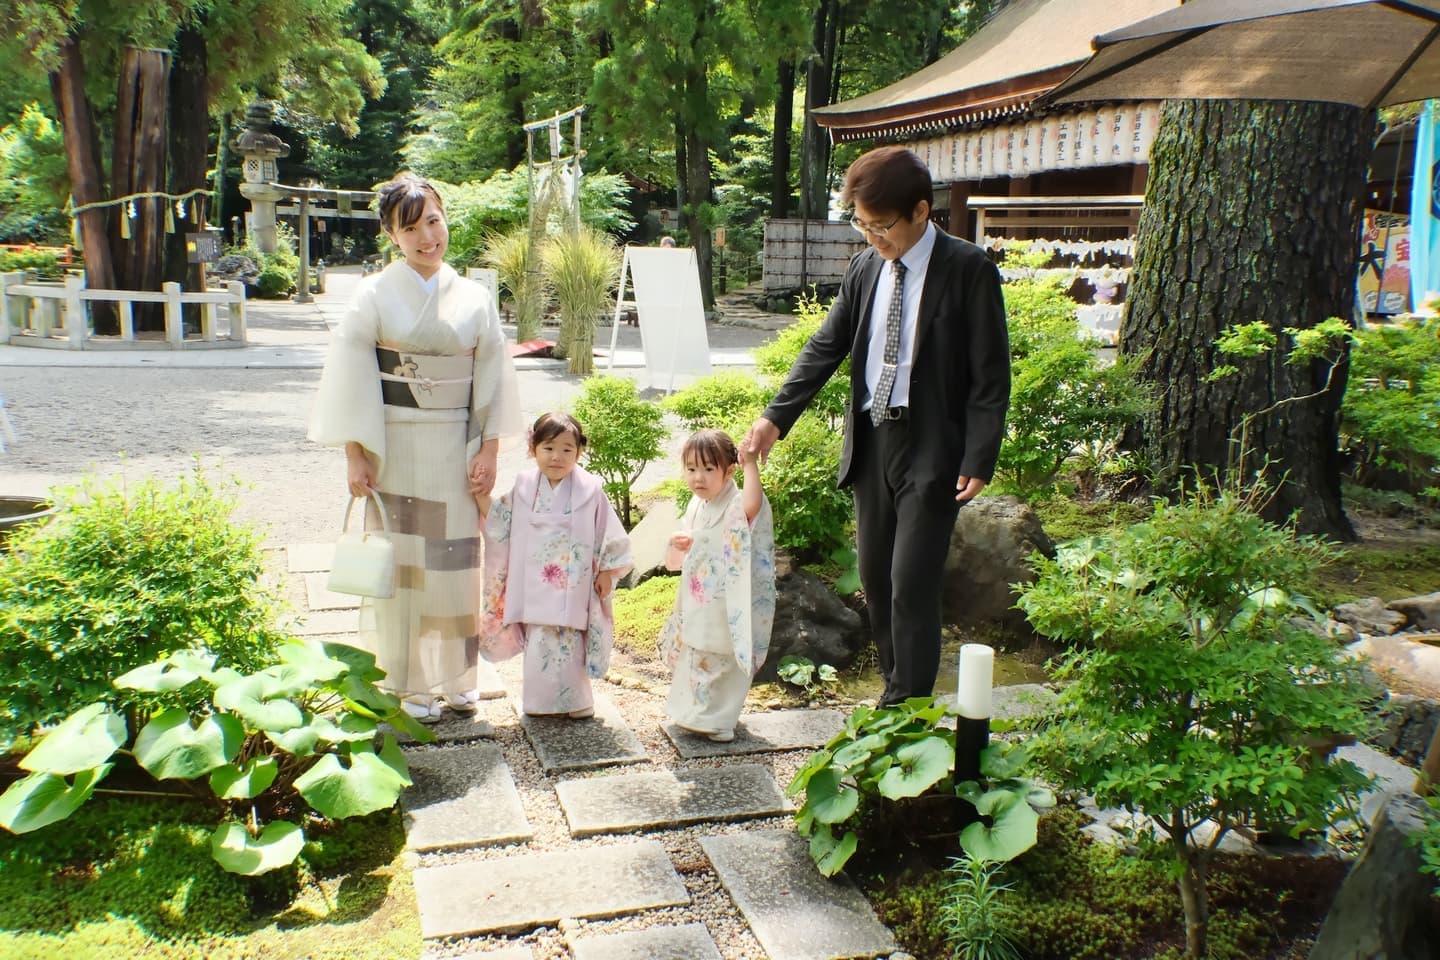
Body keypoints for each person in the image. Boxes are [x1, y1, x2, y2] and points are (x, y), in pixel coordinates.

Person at [745, 146, 1010, 707]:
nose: (871, 237)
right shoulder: (866, 268)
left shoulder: (968, 270)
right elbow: (827, 346)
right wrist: (776, 417)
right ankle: (897, 689)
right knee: (877, 579)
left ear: (921, 211)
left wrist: (979, 455)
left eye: (881, 225)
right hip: (873, 441)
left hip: (933, 446)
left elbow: (991, 374)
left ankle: (905, 705)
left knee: (912, 583)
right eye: (861, 224)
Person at [309, 172, 522, 723]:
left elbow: (492, 379)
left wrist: (490, 450)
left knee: (455, 565)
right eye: (412, 227)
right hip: (395, 446)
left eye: (434, 220)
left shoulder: (474, 297)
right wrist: (355, 454)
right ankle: (409, 680)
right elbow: (354, 378)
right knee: (403, 569)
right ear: (392, 236)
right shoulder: (375, 295)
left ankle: (456, 677)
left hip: (454, 444)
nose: (429, 236)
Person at [473, 412, 632, 718]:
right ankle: (539, 703)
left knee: (571, 641)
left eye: (567, 449)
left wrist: (608, 572)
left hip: (576, 582)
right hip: (535, 581)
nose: (556, 457)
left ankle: (579, 702)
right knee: (539, 642)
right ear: (533, 448)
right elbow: (501, 523)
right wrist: (482, 496)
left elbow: (609, 532)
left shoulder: (590, 489)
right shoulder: (523, 486)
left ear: (579, 452)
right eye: (548, 448)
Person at [659, 429, 776, 742]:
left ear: (728, 471)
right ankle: (692, 714)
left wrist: (750, 462)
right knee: (697, 649)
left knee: (724, 654)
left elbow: (751, 506)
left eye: (709, 469)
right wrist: (679, 543)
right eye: (692, 469)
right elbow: (689, 546)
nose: (698, 478)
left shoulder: (735, 502)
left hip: (727, 600)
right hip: (699, 597)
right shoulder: (697, 505)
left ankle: (720, 720)